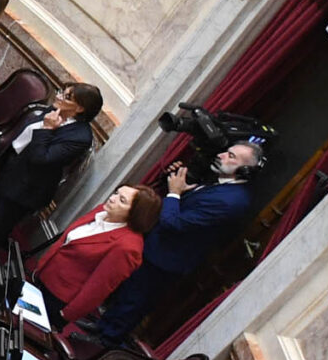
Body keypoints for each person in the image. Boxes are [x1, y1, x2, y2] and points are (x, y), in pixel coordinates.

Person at [88, 142, 264, 345]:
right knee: (126, 293)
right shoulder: (222, 184)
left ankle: (103, 341)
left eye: (231, 156)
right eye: (226, 151)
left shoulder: (232, 201)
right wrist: (180, 189)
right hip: (156, 247)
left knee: (133, 302)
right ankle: (100, 327)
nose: (222, 155)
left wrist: (174, 193)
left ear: (245, 169)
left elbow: (174, 223)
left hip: (166, 259)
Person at [0, 83, 100, 260]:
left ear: (80, 108)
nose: (58, 96)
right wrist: (3, 161)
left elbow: (41, 158)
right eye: (61, 92)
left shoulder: (80, 137)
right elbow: (23, 137)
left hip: (29, 186)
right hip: (12, 168)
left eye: (66, 97)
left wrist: (47, 129)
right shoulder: (54, 111)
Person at [35, 184, 162, 331]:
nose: (112, 198)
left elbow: (97, 289)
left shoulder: (128, 247)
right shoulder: (102, 211)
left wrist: (65, 315)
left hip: (57, 300)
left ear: (135, 214)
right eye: (116, 193)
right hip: (43, 277)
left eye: (122, 200)